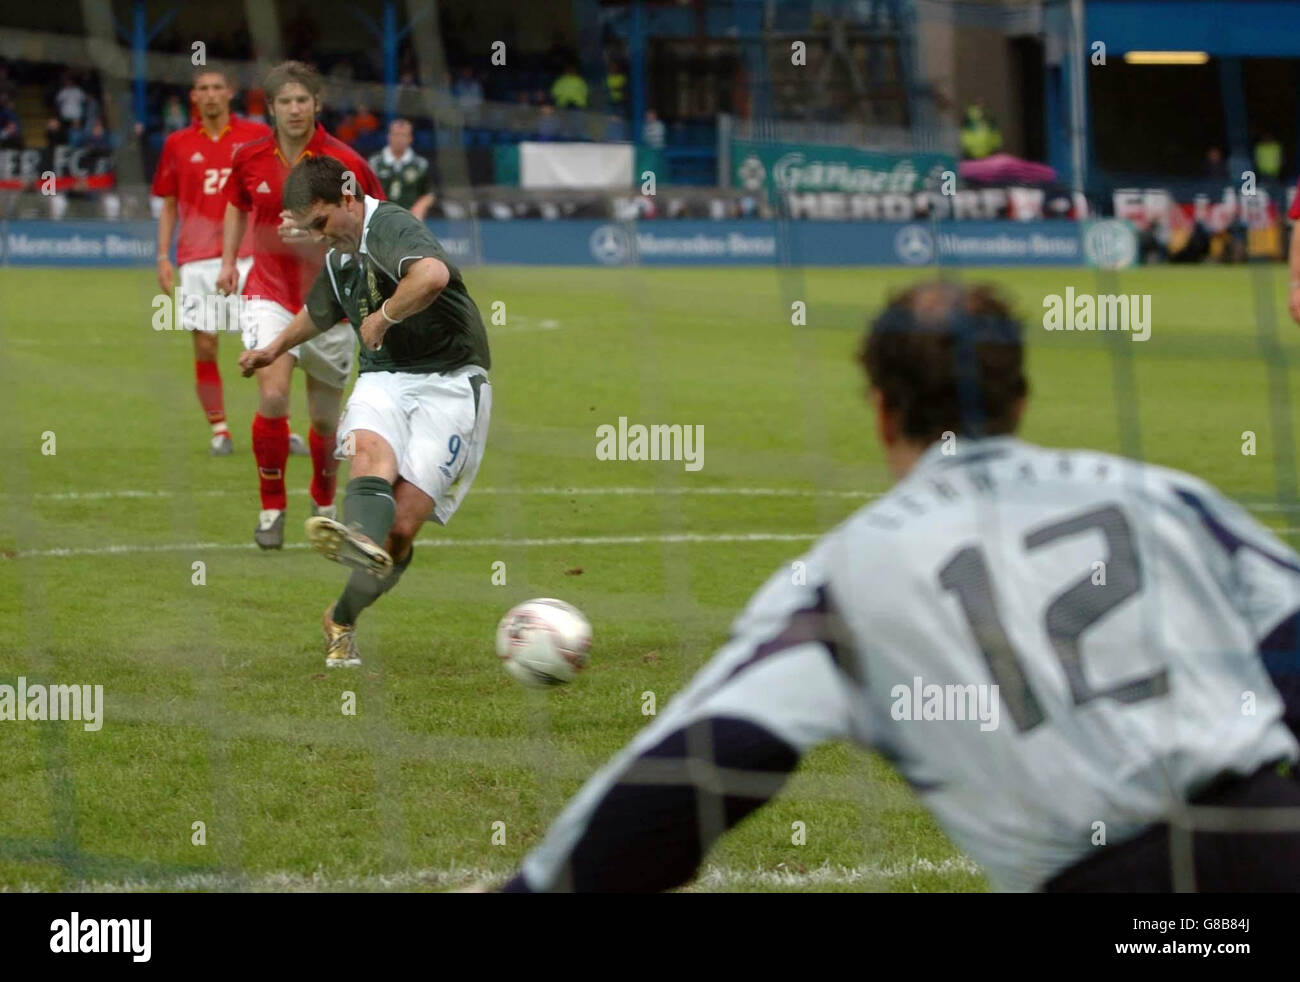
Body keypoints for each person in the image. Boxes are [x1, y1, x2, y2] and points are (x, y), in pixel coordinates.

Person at [501, 281, 1300, 893]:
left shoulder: (846, 577)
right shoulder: (1162, 495)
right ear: (1018, 396)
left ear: (883, 413)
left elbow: (706, 761)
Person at [238, 155, 491, 668]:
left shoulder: (388, 226)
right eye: (309, 229)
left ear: (349, 200)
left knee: (401, 532)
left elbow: (433, 274)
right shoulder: (340, 255)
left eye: (322, 223)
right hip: (384, 376)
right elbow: (320, 310)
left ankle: (342, 615)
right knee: (370, 452)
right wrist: (274, 348)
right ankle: (359, 535)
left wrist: (385, 314)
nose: (317, 236)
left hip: (451, 380)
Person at [217, 60, 384, 548]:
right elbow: (236, 203)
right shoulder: (248, 157)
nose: (294, 109)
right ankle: (271, 509)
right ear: (269, 108)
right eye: (284, 101)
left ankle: (323, 497)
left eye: (302, 100)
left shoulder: (346, 162)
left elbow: (372, 221)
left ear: (317, 104)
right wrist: (229, 260)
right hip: (267, 291)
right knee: (271, 395)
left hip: (330, 300)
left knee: (326, 421)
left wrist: (323, 236)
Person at [150, 67, 270, 455]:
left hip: (250, 256)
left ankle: (273, 423)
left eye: (218, 87)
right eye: (203, 88)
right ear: (194, 97)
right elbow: (169, 204)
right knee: (205, 345)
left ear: (230, 92)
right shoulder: (177, 143)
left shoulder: (256, 136)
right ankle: (220, 429)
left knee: (267, 345)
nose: (212, 94)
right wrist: (162, 256)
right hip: (196, 259)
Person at [368, 119, 435, 219]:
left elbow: (429, 193)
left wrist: (420, 206)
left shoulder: (420, 164)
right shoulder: (375, 163)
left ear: (410, 138)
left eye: (403, 135)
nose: (399, 139)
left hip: (410, 218)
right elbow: (365, 191)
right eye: (396, 134)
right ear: (388, 136)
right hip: (380, 217)